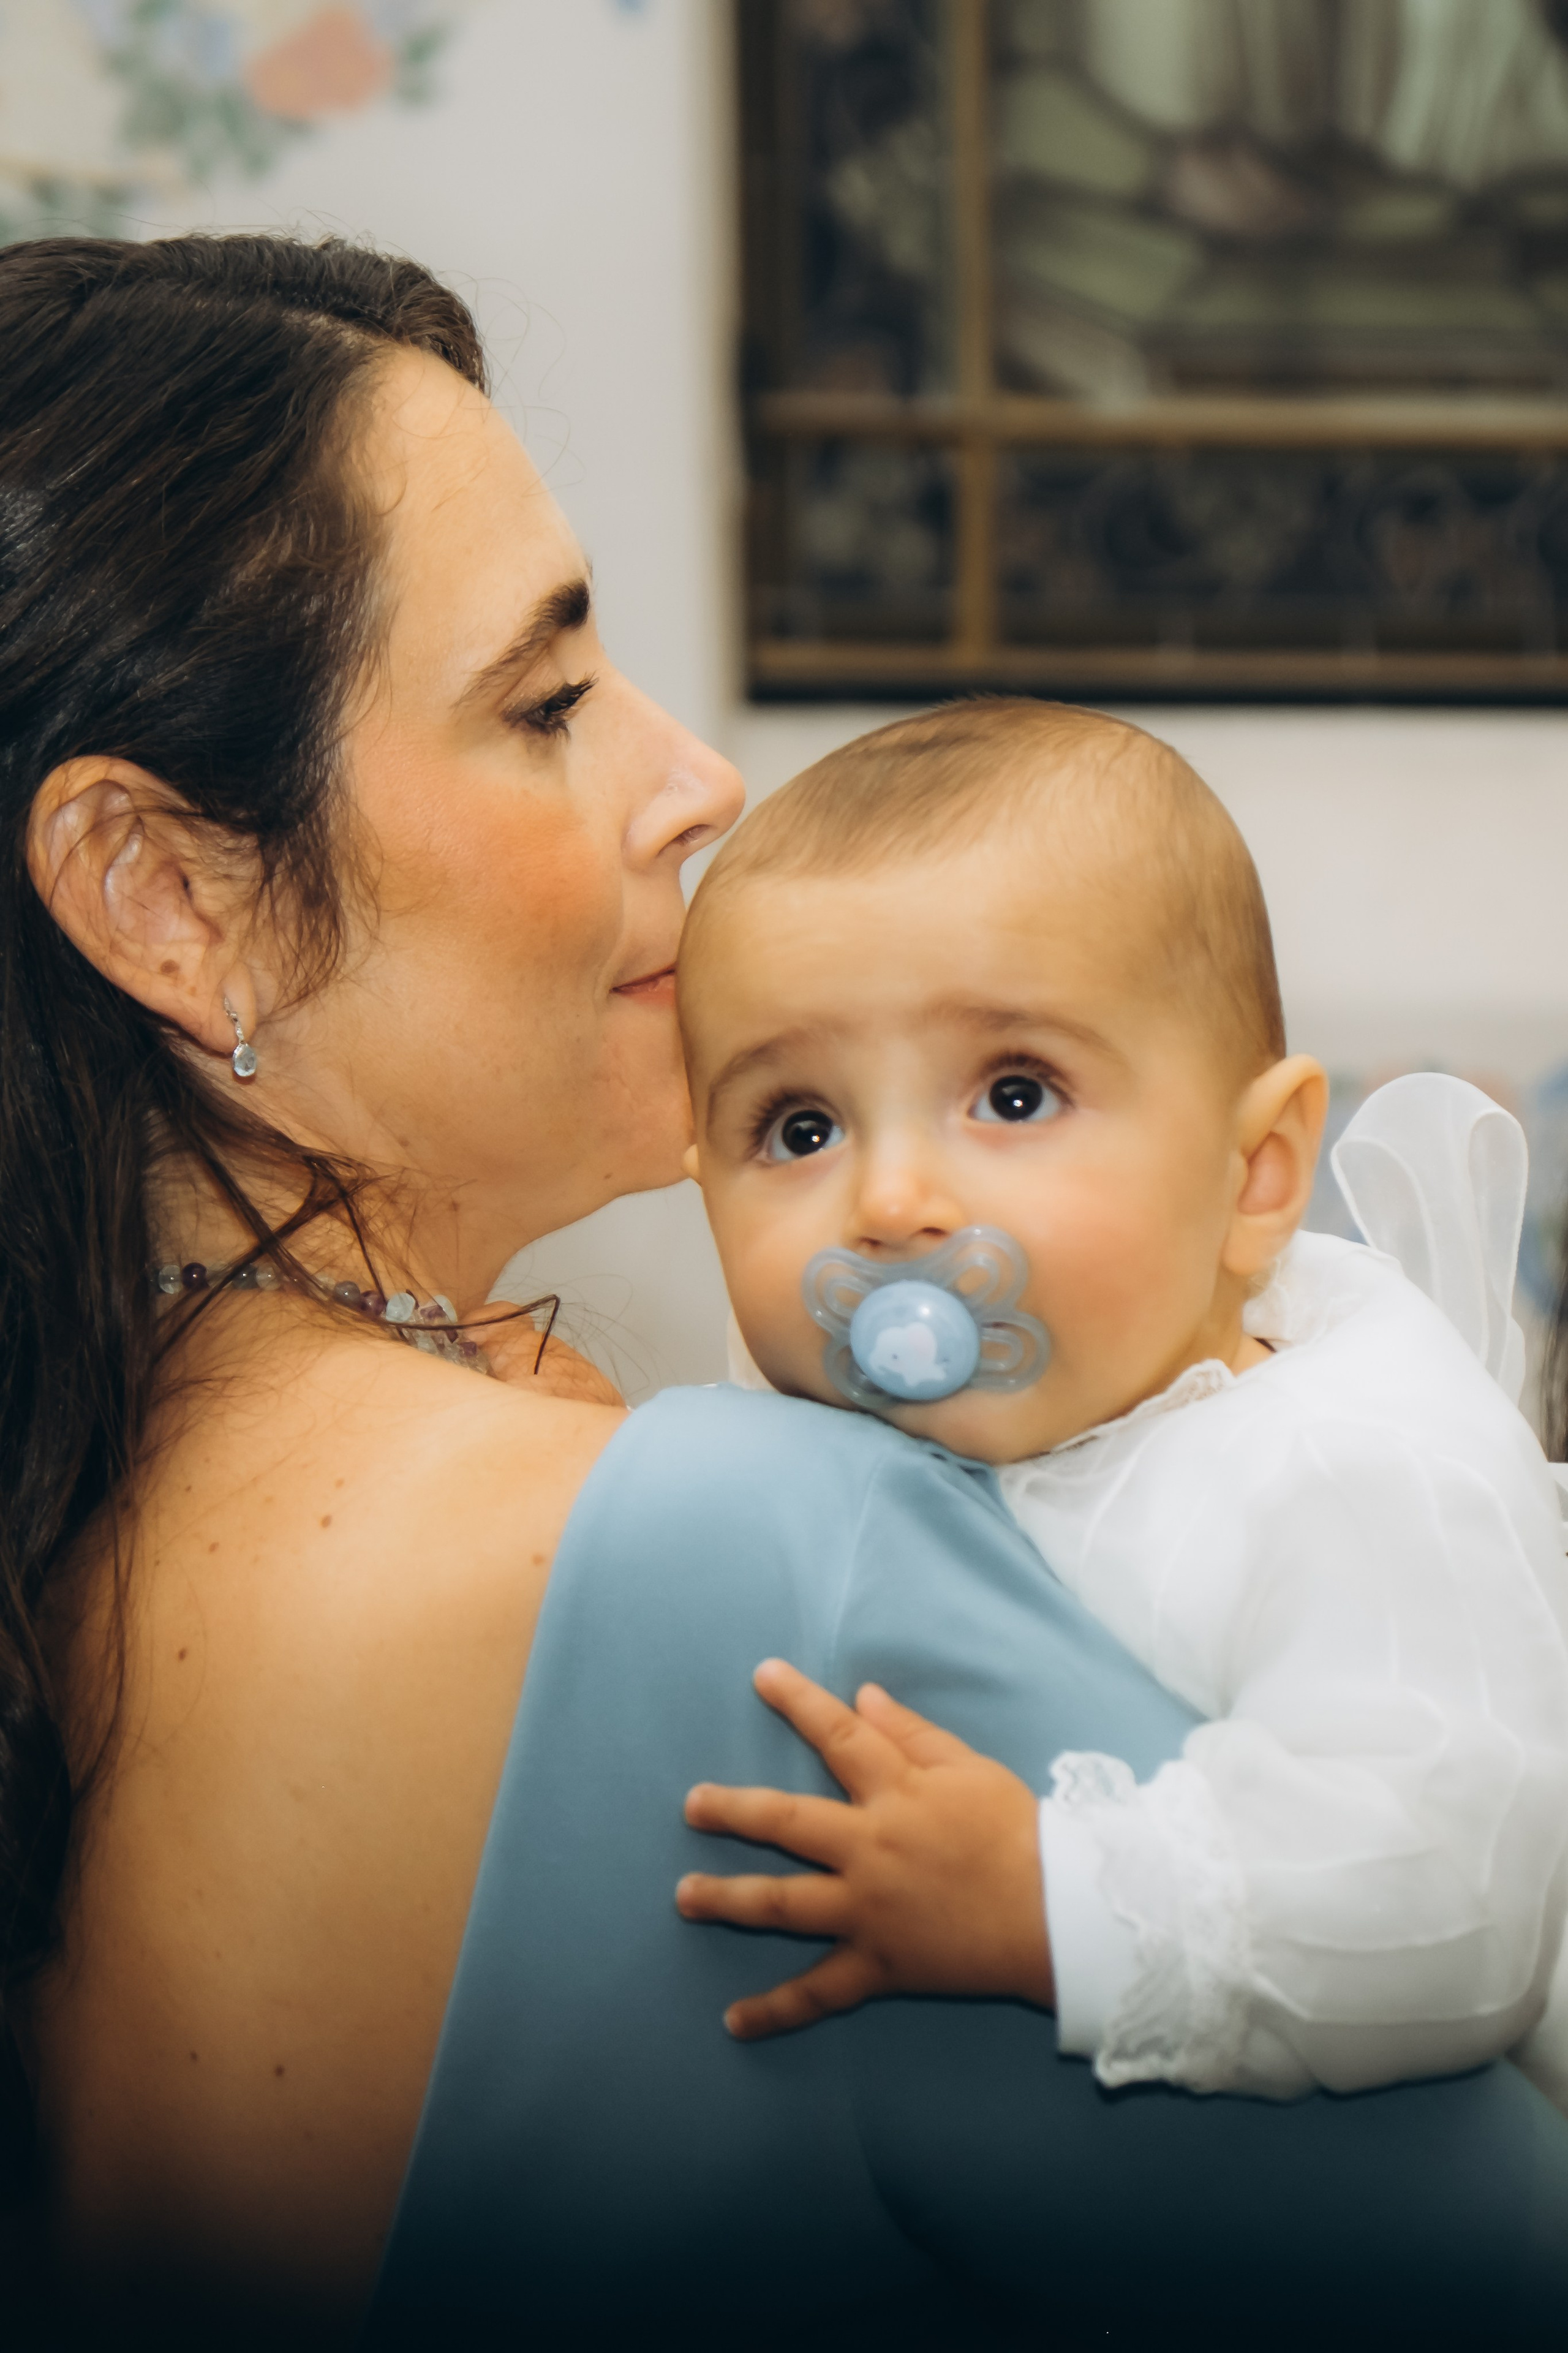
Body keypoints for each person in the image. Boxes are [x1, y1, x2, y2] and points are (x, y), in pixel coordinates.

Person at [2, 231, 1567, 2347]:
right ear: (169, 900)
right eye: (548, 699)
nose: (696, 780)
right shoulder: (756, 1558)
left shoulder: (68, 1500)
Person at [669, 703, 1568, 2107]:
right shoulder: (852, 1436)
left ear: (1256, 1174)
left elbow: (1450, 1898)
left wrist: (1050, 1898)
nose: (890, 1203)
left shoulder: (1353, 1471)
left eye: (1013, 1094)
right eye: (800, 1126)